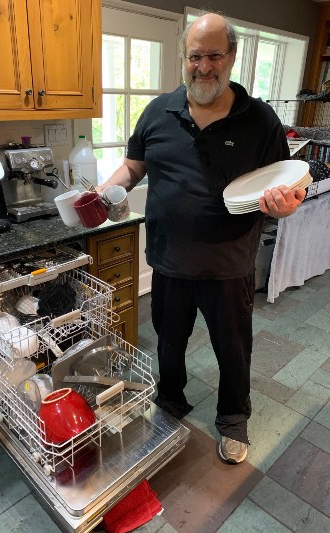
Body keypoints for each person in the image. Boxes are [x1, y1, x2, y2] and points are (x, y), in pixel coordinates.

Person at [97, 12, 306, 464]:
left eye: (214, 55)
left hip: (228, 265)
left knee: (232, 349)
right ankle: (171, 401)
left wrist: (288, 204)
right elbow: (135, 164)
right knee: (168, 343)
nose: (204, 66)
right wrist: (107, 189)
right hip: (169, 261)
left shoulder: (260, 120)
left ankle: (234, 419)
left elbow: (291, 181)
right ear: (184, 58)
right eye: (196, 56)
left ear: (231, 57)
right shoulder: (157, 111)